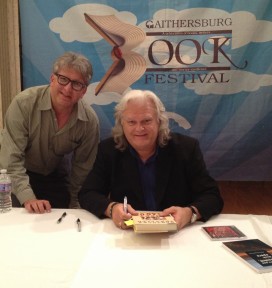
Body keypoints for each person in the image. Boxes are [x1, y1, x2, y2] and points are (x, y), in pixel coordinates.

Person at [79, 89, 223, 230]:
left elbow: (212, 196)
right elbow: (88, 194)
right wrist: (111, 209)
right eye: (131, 122)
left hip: (176, 234)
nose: (139, 128)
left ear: (159, 122)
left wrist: (190, 213)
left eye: (147, 121)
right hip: (129, 234)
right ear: (121, 124)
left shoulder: (186, 148)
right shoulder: (108, 150)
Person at [0, 51, 99, 213]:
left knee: (63, 218)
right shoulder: (23, 104)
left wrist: (76, 205)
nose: (67, 89)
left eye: (76, 84)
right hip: (13, 174)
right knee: (19, 219)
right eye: (63, 79)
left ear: (83, 91)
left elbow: (82, 171)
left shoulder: (89, 121)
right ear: (52, 79)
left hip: (53, 175)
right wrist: (28, 198)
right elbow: (11, 161)